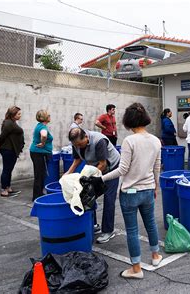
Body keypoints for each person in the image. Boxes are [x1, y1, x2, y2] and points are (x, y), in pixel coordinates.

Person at [88, 103, 162, 279]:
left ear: (128, 121)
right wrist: (156, 186)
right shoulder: (156, 141)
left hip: (129, 192)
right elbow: (157, 167)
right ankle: (155, 255)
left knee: (133, 230)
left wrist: (101, 178)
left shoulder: (129, 141)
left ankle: (136, 269)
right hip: (148, 189)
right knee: (150, 223)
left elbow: (122, 170)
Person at [66, 127, 121, 243]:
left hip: (111, 168)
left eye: (80, 144)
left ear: (86, 136)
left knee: (109, 198)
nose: (79, 147)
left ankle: (108, 231)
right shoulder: (76, 142)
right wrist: (67, 174)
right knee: (88, 195)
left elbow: (103, 164)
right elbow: (77, 160)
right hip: (95, 167)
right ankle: (93, 224)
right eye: (76, 145)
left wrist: (88, 178)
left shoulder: (99, 141)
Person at [0, 106, 24, 197]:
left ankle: (8, 188)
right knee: (6, 170)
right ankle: (4, 190)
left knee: (9, 170)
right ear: (13, 115)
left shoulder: (12, 122)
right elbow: (2, 136)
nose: (20, 115)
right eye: (18, 114)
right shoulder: (8, 123)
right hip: (8, 150)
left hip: (11, 150)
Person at [29, 110, 53, 201]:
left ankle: (39, 193)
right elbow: (44, 135)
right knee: (39, 174)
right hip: (39, 153)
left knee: (41, 174)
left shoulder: (40, 126)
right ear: (45, 117)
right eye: (49, 115)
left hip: (38, 153)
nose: (50, 116)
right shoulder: (43, 127)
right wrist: (43, 143)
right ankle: (36, 196)